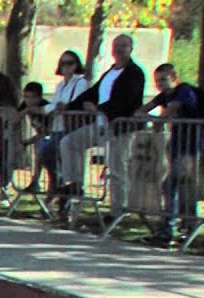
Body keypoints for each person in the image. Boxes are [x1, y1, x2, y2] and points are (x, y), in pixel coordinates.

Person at [56, 34, 146, 210]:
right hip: (100, 125)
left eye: (124, 46)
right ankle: (75, 184)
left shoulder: (134, 73)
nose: (119, 50)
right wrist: (70, 106)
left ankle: (118, 210)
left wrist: (98, 108)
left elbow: (124, 101)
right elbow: (92, 93)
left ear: (131, 48)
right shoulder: (110, 72)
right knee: (69, 142)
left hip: (120, 127)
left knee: (117, 169)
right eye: (116, 46)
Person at [135, 64, 200, 246]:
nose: (160, 84)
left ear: (174, 77)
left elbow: (169, 112)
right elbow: (142, 110)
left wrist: (156, 120)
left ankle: (172, 228)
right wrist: (149, 118)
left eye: (164, 79)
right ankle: (181, 227)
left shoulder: (183, 91)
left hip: (192, 145)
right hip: (177, 143)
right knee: (179, 186)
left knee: (172, 184)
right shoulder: (165, 95)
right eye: (157, 81)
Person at [37, 50, 89, 196]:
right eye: (63, 63)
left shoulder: (80, 82)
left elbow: (74, 103)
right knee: (46, 153)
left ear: (76, 65)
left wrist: (60, 107)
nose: (66, 67)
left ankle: (66, 188)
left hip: (71, 126)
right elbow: (53, 104)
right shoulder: (60, 85)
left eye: (70, 63)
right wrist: (48, 108)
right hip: (57, 126)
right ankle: (59, 186)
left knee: (51, 153)